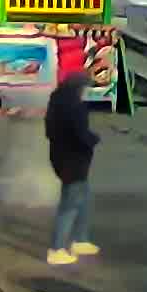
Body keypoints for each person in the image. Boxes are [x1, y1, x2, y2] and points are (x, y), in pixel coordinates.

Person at [42, 52, 100, 266]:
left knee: (82, 197)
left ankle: (80, 239)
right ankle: (57, 249)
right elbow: (80, 134)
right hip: (73, 161)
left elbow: (52, 131)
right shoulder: (75, 107)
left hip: (60, 157)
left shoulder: (57, 100)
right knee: (70, 204)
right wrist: (93, 140)